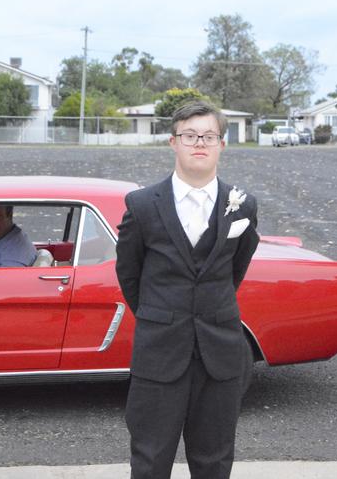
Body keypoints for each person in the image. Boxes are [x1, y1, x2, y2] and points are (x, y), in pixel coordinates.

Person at [115, 101, 260, 479]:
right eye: (190, 135)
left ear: (222, 145)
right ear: (173, 142)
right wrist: (161, 315)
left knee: (214, 462)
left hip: (220, 355)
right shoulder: (143, 205)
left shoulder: (243, 207)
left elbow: (235, 269)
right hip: (159, 354)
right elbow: (129, 275)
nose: (200, 143)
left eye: (209, 136)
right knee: (149, 462)